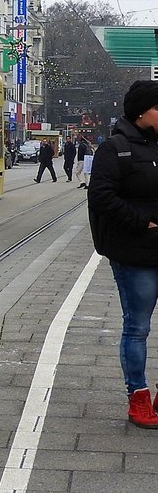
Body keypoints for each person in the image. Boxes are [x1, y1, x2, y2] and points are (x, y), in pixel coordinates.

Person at [87, 80, 158, 428]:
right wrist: (142, 220)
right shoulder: (115, 149)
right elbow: (101, 197)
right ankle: (138, 398)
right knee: (138, 327)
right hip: (136, 255)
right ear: (143, 111)